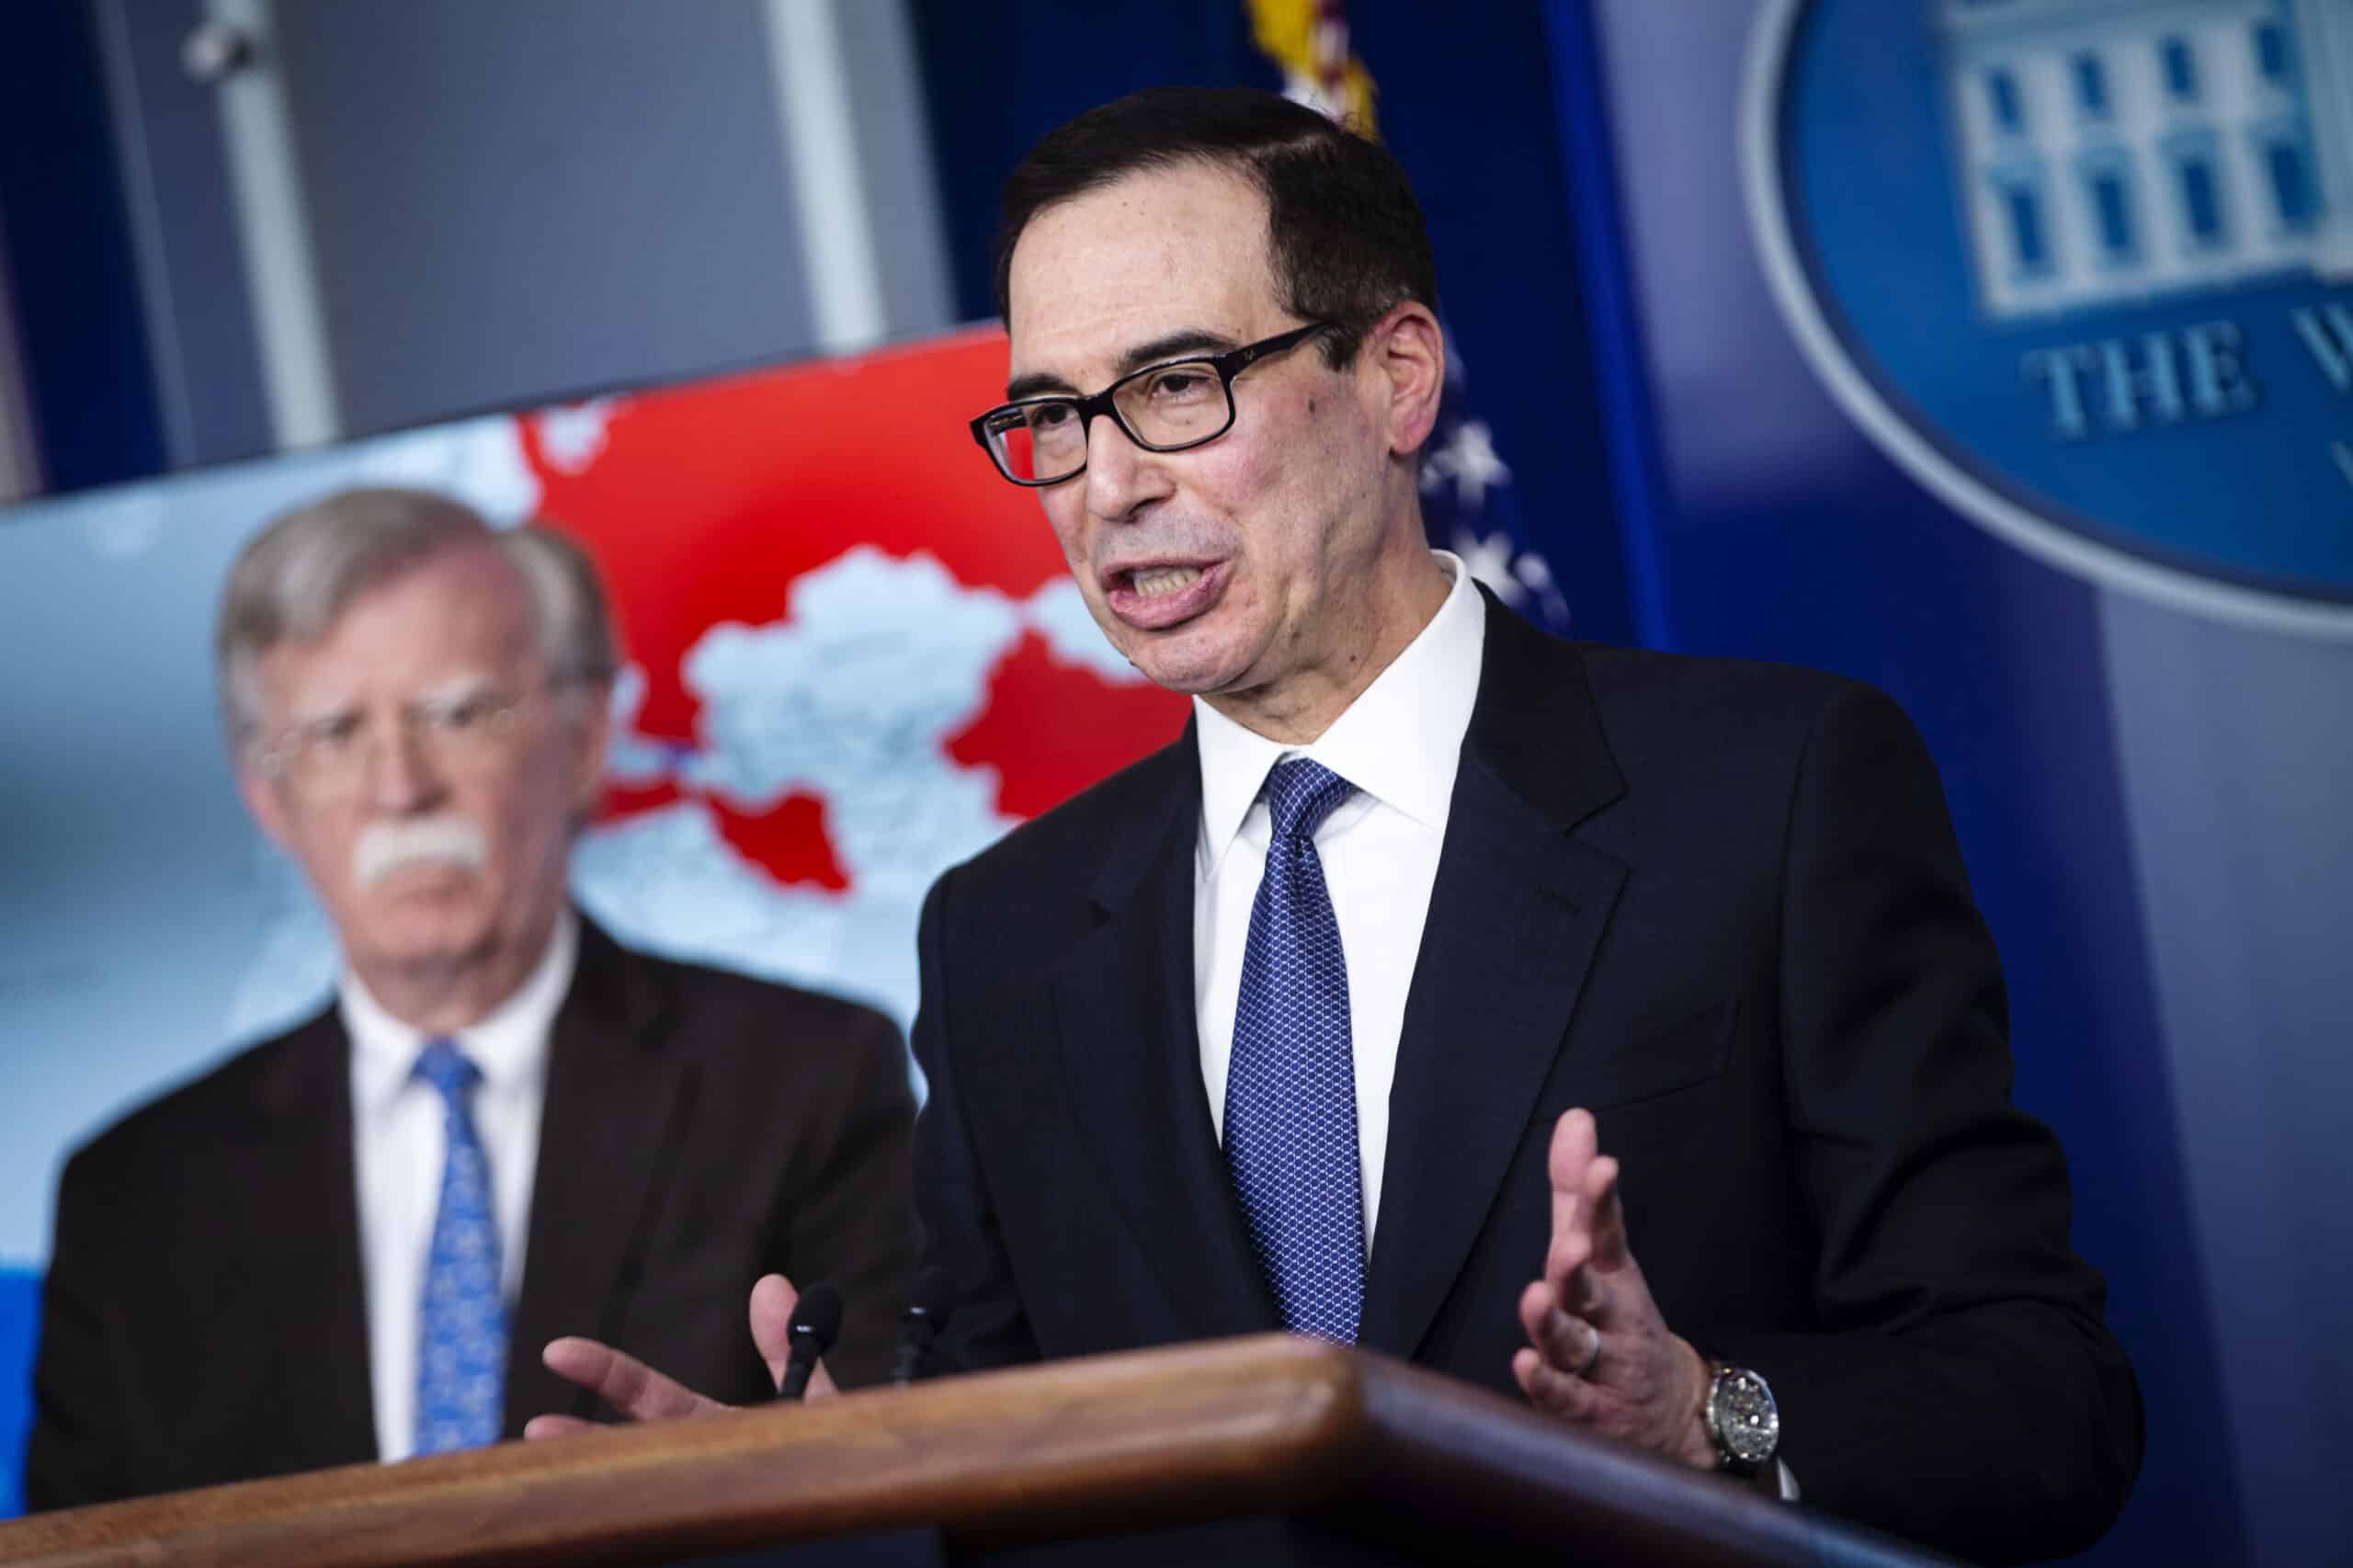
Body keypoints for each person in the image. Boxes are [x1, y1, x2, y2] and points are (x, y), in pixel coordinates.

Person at [533, 89, 2142, 1563]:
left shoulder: (1770, 789)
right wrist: (863, 1497)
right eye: (1053, 418)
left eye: (1173, 386)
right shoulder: (1004, 935)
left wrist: (1707, 1409)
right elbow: (1010, 1474)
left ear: (1395, 376)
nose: (1105, 485)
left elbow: (2042, 1404)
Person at [23, 488, 915, 1509]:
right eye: (333, 731)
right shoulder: (136, 1193)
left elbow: (892, 1458)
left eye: (455, 713)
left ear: (580, 742)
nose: (398, 787)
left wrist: (820, 1477)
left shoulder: (806, 1081)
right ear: (268, 797)